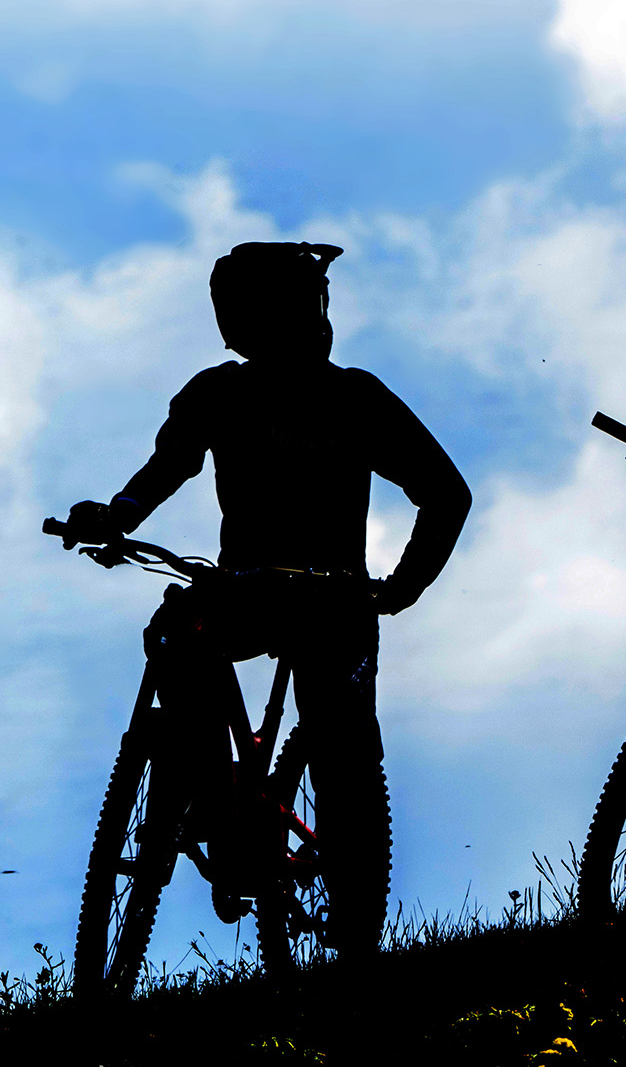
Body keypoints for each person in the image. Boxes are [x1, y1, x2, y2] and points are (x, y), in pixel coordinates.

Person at [63, 241, 471, 953]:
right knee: (186, 641)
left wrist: (120, 516)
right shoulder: (302, 395)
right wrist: (401, 589)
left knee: (338, 755)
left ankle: (287, 868)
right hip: (316, 599)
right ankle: (215, 799)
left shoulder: (308, 395)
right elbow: (168, 466)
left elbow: (446, 494)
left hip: (307, 601)